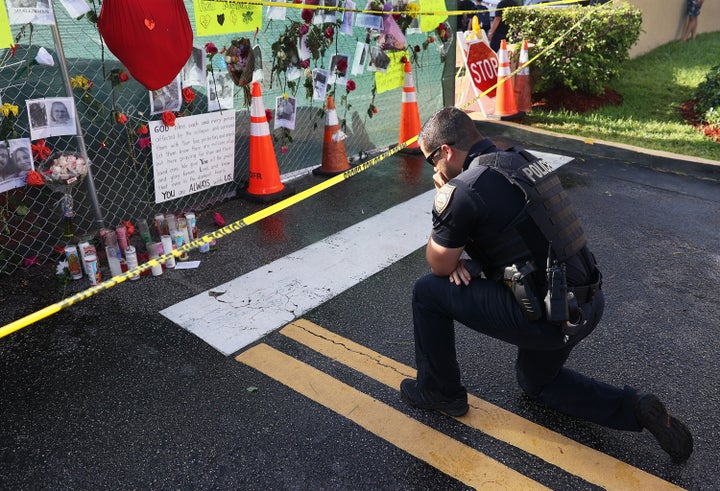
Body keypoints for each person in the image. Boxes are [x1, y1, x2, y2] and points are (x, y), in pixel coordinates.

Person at [399, 107, 694, 464]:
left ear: (446, 151)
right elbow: (520, 233)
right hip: (585, 304)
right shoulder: (520, 158)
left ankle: (440, 391)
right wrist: (473, 258)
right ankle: (635, 407)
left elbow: (439, 262)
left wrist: (444, 203)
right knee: (536, 382)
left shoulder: (462, 189)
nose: (434, 170)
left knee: (427, 291)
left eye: (432, 160)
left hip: (545, 316)